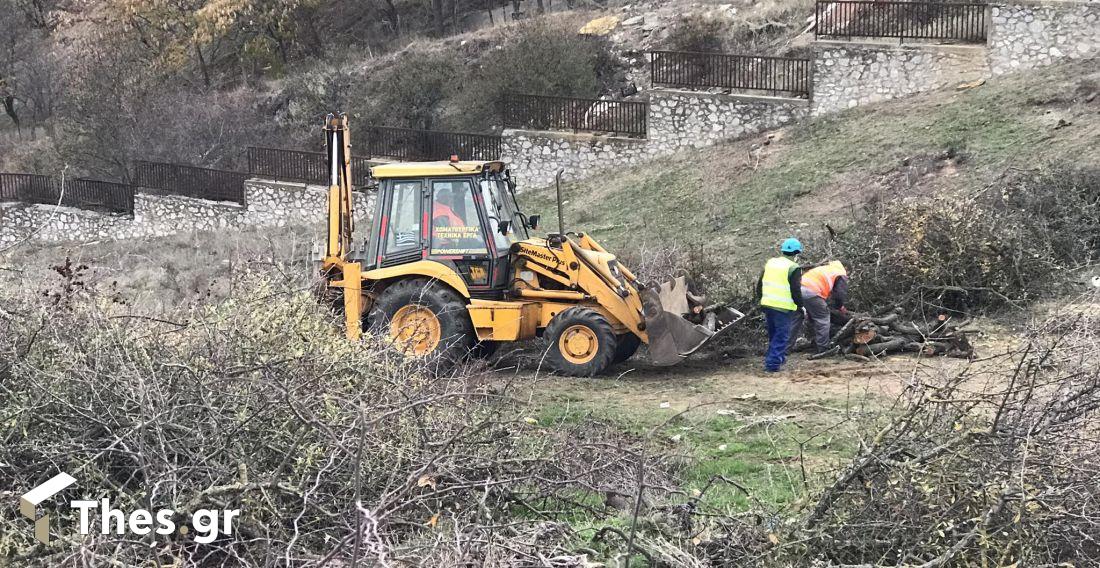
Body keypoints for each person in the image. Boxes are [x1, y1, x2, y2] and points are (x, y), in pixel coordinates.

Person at [756, 238, 803, 373]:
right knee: (781, 335)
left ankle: (778, 358)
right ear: (796, 253)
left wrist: (761, 299)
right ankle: (772, 364)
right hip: (783, 307)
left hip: (767, 304)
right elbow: (796, 290)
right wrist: (800, 305)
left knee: (773, 334)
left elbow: (760, 284)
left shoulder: (771, 263)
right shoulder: (793, 268)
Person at [790, 260, 849, 354]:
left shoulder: (825, 269)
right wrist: (840, 306)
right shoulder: (840, 273)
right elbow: (839, 294)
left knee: (798, 318)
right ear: (845, 268)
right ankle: (823, 349)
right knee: (823, 318)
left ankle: (786, 348)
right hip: (811, 292)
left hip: (797, 291)